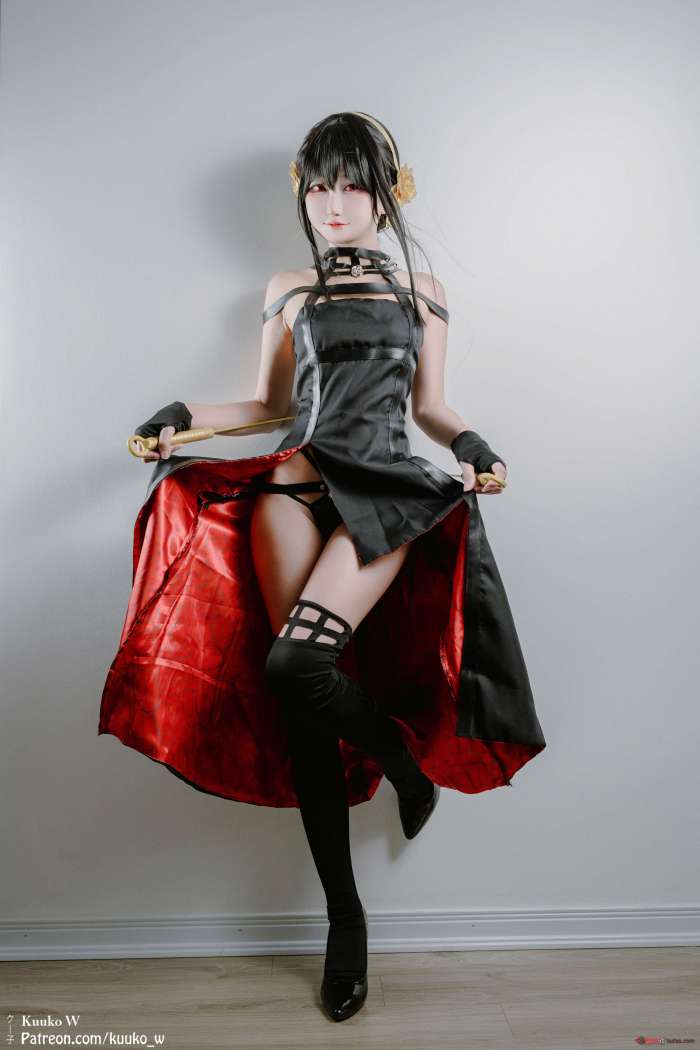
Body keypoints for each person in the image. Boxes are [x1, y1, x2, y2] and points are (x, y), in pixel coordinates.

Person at [99, 111, 546, 1023]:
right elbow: (268, 404)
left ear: (387, 192)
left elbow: (432, 407)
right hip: (291, 492)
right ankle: (347, 919)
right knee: (297, 691)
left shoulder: (423, 290)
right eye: (318, 185)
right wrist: (179, 417)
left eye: (351, 184)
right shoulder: (288, 287)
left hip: (383, 494)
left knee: (298, 662)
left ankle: (402, 762)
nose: (332, 203)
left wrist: (477, 446)